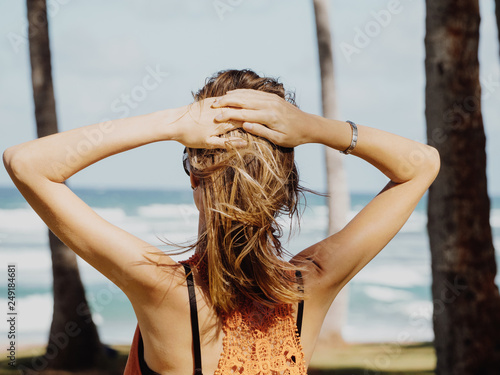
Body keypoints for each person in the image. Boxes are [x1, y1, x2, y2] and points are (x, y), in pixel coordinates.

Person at [3, 69, 440, 374]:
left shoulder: (165, 292)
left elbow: (26, 163)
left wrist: (173, 122)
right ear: (286, 183)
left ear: (194, 172)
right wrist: (315, 128)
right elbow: (421, 164)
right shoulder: (312, 285)